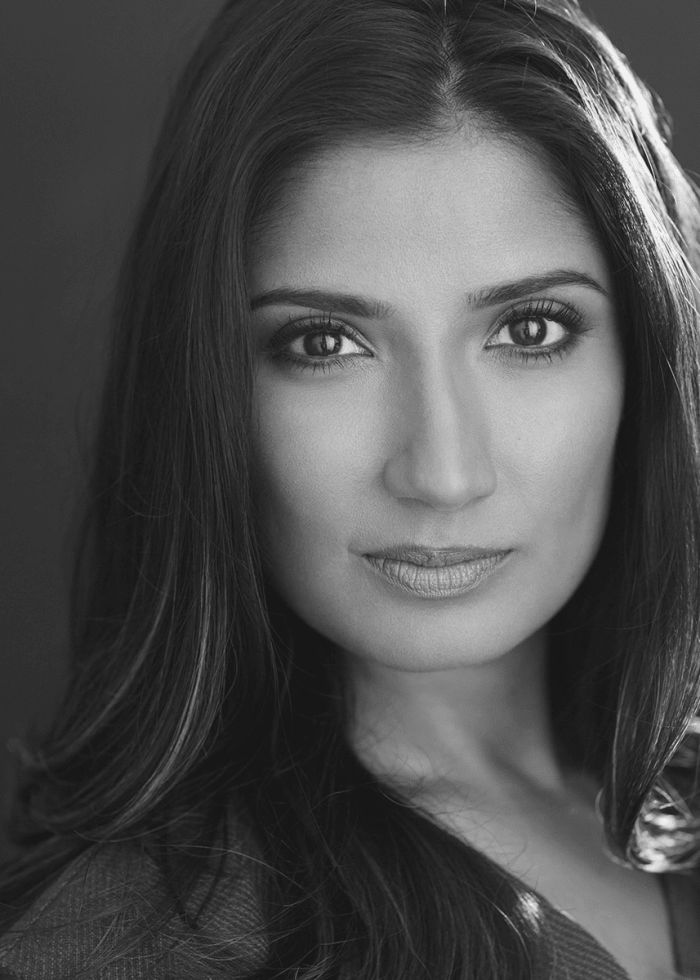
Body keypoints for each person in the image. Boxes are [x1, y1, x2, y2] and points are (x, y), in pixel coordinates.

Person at [1, 0, 700, 977]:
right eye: (324, 343)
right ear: (206, 390)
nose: (441, 472)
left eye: (531, 329)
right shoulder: (132, 946)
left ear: (649, 358)